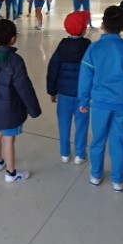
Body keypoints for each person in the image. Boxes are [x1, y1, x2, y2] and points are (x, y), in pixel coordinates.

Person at [78, 6, 123, 192]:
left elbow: (85, 77)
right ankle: (118, 180)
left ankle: (96, 175)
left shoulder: (93, 49)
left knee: (98, 140)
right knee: (120, 141)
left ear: (102, 25)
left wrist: (83, 101)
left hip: (99, 104)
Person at [0, 19, 41, 183]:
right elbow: (24, 87)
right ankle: (11, 173)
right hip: (9, 109)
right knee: (9, 139)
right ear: (13, 39)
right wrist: (34, 109)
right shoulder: (15, 60)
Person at [47, 11, 92, 164]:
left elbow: (52, 69)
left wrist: (52, 91)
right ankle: (80, 155)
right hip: (82, 95)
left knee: (64, 124)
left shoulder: (62, 46)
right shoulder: (88, 46)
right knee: (82, 124)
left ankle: (65, 153)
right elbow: (93, 70)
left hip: (64, 94)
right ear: (84, 29)